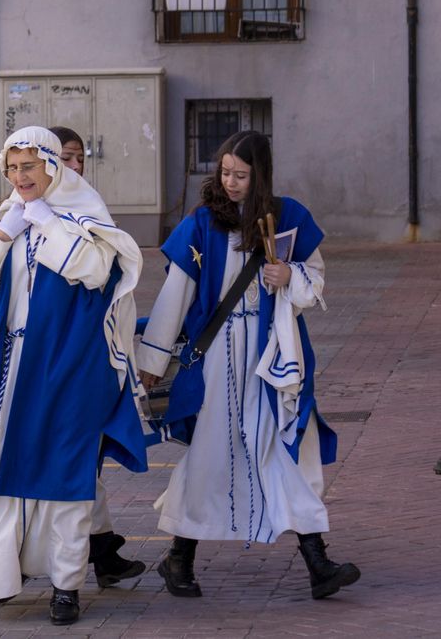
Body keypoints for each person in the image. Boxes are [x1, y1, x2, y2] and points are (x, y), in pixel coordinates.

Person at [0, 126, 148, 625]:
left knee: (66, 478)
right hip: (13, 366)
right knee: (7, 471)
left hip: (71, 365)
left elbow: (93, 270)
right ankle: (2, 576)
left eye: (30, 166)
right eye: (13, 167)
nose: (21, 177)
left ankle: (67, 587)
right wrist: (7, 233)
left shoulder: (85, 213)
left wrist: (47, 223)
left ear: (53, 165)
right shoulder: (8, 215)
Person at [136, 131, 360, 601]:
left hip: (273, 354)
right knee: (212, 453)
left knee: (284, 448)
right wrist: (152, 358)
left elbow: (315, 279)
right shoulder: (201, 224)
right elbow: (175, 294)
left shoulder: (289, 216)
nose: (231, 182)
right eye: (224, 173)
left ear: (260, 175)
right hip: (218, 356)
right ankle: (179, 558)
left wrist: (289, 276)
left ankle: (317, 562)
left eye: (241, 174)